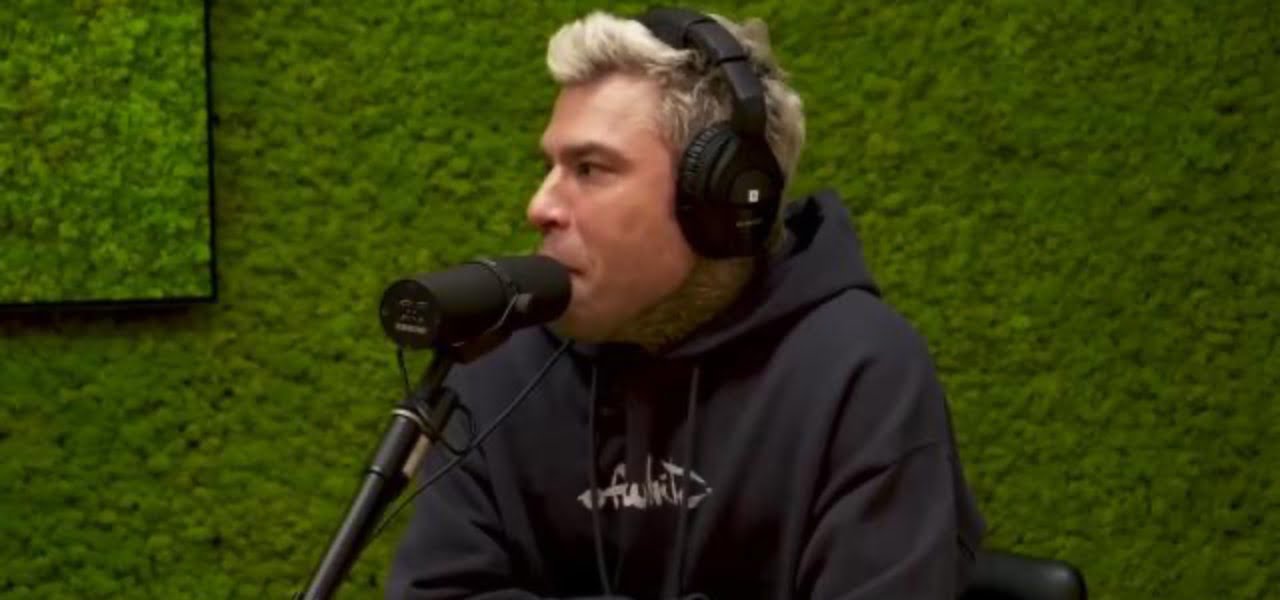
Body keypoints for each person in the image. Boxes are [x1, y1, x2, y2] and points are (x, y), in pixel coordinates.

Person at [387, 7, 985, 599]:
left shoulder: (859, 370)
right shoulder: (501, 365)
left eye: (590, 169)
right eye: (550, 166)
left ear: (722, 201)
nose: (540, 206)